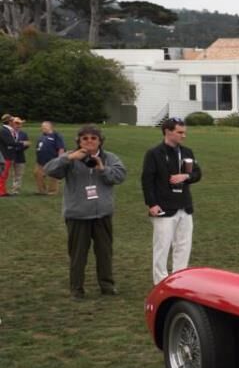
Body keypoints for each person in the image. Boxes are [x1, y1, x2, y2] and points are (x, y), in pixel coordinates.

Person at [43, 125, 127, 298]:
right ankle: (76, 289)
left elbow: (120, 176)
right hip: (77, 215)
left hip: (102, 214)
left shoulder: (109, 157)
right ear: (79, 141)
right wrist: (69, 158)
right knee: (77, 255)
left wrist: (103, 169)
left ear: (100, 141)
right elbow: (49, 170)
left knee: (104, 253)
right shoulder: (70, 157)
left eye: (93, 138)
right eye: (85, 138)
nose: (89, 141)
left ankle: (107, 286)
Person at [142, 118, 202, 285]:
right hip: (164, 207)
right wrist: (152, 204)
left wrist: (186, 176)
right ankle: (160, 282)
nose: (184, 136)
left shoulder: (187, 152)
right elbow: (147, 180)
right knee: (162, 246)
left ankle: (180, 279)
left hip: (184, 206)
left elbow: (197, 173)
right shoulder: (154, 153)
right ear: (168, 132)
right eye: (180, 132)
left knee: (183, 245)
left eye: (184, 132)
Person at [35, 121, 66, 196]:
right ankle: (41, 191)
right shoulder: (41, 136)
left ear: (50, 127)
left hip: (52, 159)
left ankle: (52, 191)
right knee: (37, 174)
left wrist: (59, 159)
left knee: (53, 176)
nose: (42, 128)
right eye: (42, 127)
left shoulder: (56, 136)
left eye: (44, 127)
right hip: (41, 160)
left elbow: (61, 148)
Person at [2, 116, 30, 194]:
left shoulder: (23, 134)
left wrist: (19, 148)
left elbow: (27, 144)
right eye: (17, 123)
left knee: (18, 174)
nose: (18, 125)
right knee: (4, 173)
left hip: (19, 156)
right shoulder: (8, 131)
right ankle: (3, 190)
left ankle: (15, 190)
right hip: (7, 156)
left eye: (20, 124)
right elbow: (8, 143)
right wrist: (20, 144)